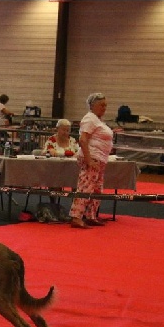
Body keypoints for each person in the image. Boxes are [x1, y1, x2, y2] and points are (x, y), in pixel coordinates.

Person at [69, 92, 114, 229]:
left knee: (96, 189)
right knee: (85, 187)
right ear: (92, 105)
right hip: (92, 158)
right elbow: (83, 139)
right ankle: (76, 217)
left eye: (105, 105)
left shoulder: (98, 120)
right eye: (101, 105)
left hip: (100, 159)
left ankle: (91, 216)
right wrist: (88, 159)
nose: (104, 108)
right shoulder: (90, 119)